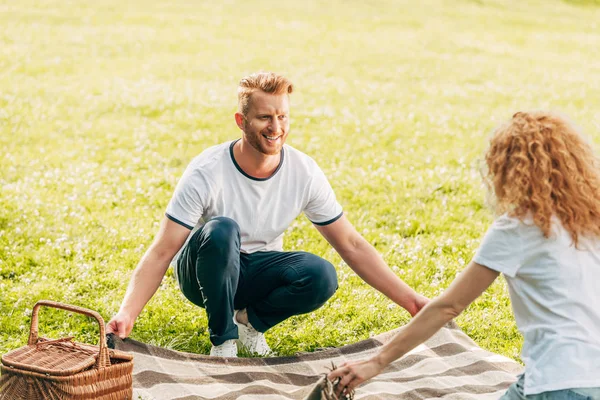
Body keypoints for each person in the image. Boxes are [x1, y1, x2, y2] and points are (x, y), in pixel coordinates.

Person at [106, 72, 428, 358]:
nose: (276, 128)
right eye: (264, 118)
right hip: (204, 272)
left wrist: (412, 302)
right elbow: (163, 250)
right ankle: (223, 342)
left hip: (256, 273)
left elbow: (352, 245)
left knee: (321, 274)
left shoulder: (304, 171)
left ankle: (250, 322)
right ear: (241, 120)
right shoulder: (206, 170)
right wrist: (127, 313)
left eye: (283, 117)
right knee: (222, 230)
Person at [328, 111, 600, 399]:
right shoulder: (592, 221)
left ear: (509, 168)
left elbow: (449, 307)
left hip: (557, 384)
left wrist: (375, 362)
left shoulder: (518, 228)